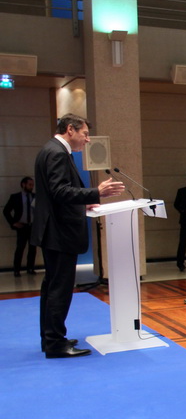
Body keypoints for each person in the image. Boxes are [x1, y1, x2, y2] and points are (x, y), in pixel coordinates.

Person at [31, 113, 125, 357]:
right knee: (59, 289)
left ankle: (51, 338)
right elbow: (60, 191)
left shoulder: (50, 149)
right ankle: (55, 343)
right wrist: (96, 193)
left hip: (54, 229)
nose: (87, 139)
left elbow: (55, 195)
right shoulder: (57, 153)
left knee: (52, 287)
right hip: (59, 232)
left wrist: (83, 205)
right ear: (70, 130)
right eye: (85, 133)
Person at [4, 176, 37, 277]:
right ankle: (16, 269)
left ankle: (30, 268)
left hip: (32, 226)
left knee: (32, 249)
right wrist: (13, 222)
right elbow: (6, 211)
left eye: (32, 185)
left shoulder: (35, 196)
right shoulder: (15, 197)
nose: (31, 187)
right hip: (22, 226)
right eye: (30, 185)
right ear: (23, 184)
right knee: (20, 248)